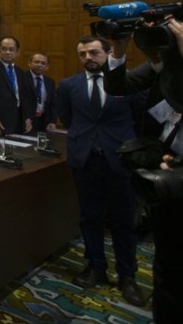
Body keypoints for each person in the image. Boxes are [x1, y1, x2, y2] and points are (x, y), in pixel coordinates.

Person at [54, 35, 145, 306]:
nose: (88, 58)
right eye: (82, 54)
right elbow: (68, 118)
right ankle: (96, 266)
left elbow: (140, 118)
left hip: (119, 160)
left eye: (94, 52)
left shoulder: (129, 82)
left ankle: (127, 276)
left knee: (123, 221)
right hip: (85, 160)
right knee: (89, 217)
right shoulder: (69, 85)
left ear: (108, 53)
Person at [103, 18, 183, 323]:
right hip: (166, 175)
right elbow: (117, 86)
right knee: (168, 262)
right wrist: (119, 48)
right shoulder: (163, 66)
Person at [0, 35, 35, 136]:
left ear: (17, 52)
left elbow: (24, 97)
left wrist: (27, 118)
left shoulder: (20, 72)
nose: (8, 52)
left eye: (11, 49)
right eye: (4, 49)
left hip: (17, 120)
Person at [26, 52, 56, 132]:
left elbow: (53, 103)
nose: (39, 65)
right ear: (29, 63)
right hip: (27, 120)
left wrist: (52, 121)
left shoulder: (50, 82)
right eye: (36, 62)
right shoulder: (22, 78)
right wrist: (26, 118)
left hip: (43, 121)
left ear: (47, 67)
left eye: (43, 63)